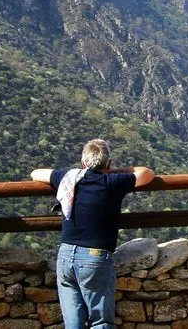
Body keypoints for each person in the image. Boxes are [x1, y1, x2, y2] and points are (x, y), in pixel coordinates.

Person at [31, 139, 155, 329]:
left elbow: (35, 173)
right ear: (109, 163)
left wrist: (71, 172)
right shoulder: (113, 182)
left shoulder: (68, 178)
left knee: (73, 325)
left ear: (83, 163)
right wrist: (121, 170)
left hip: (65, 257)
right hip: (94, 259)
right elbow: (147, 173)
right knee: (101, 323)